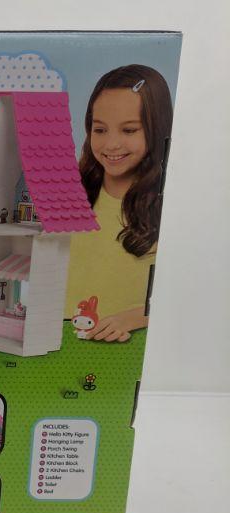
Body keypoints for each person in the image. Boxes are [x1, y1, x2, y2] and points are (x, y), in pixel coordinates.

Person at [66, 65, 173, 342]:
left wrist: (135, 317)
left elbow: (192, 290)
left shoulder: (172, 204)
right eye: (100, 129)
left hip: (124, 348)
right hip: (62, 340)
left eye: (128, 130)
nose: (111, 144)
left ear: (157, 129)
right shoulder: (72, 192)